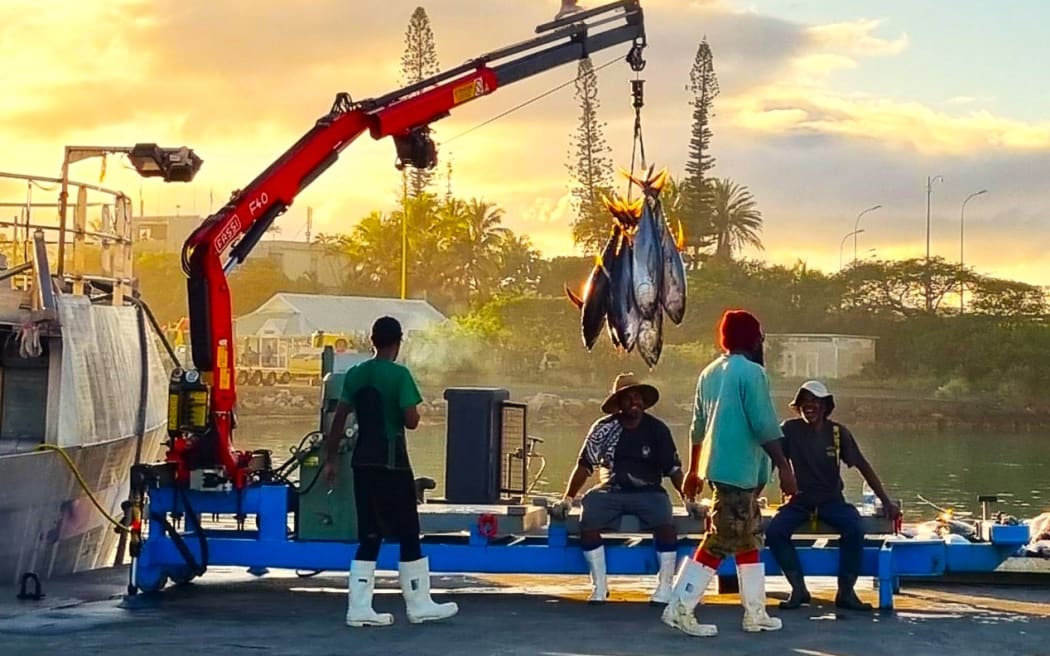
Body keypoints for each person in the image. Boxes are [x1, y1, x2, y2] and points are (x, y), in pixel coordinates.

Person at [661, 309, 798, 638]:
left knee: (748, 538)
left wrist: (694, 470)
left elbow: (696, 427)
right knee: (719, 542)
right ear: (751, 339)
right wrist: (784, 466)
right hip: (739, 472)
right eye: (760, 334)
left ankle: (755, 612)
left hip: (721, 469)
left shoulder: (710, 372)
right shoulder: (752, 373)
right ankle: (680, 607)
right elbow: (764, 424)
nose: (762, 339)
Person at [322, 316, 457, 628]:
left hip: (362, 463)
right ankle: (419, 604)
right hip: (392, 463)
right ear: (397, 343)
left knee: (369, 535)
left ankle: (358, 609)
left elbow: (339, 418)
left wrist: (330, 460)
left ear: (372, 341)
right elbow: (411, 420)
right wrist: (408, 411)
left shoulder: (355, 374)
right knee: (409, 531)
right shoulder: (399, 375)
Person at [765, 380, 901, 611]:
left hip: (831, 501)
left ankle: (846, 592)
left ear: (825, 406)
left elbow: (863, 466)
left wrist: (886, 501)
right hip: (800, 501)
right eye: (805, 402)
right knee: (775, 532)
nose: (810, 406)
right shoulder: (789, 430)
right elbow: (769, 464)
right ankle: (798, 589)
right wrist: (752, 498)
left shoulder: (838, 433)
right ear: (799, 407)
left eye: (815, 402)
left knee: (854, 529)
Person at [557, 373, 686, 605]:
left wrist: (688, 499)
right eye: (628, 398)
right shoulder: (604, 428)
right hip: (611, 489)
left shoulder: (658, 430)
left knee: (665, 521)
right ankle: (600, 586)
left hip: (649, 491)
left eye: (638, 397)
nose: (634, 402)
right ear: (618, 403)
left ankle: (665, 586)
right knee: (589, 515)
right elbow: (585, 465)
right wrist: (568, 498)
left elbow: (673, 469)